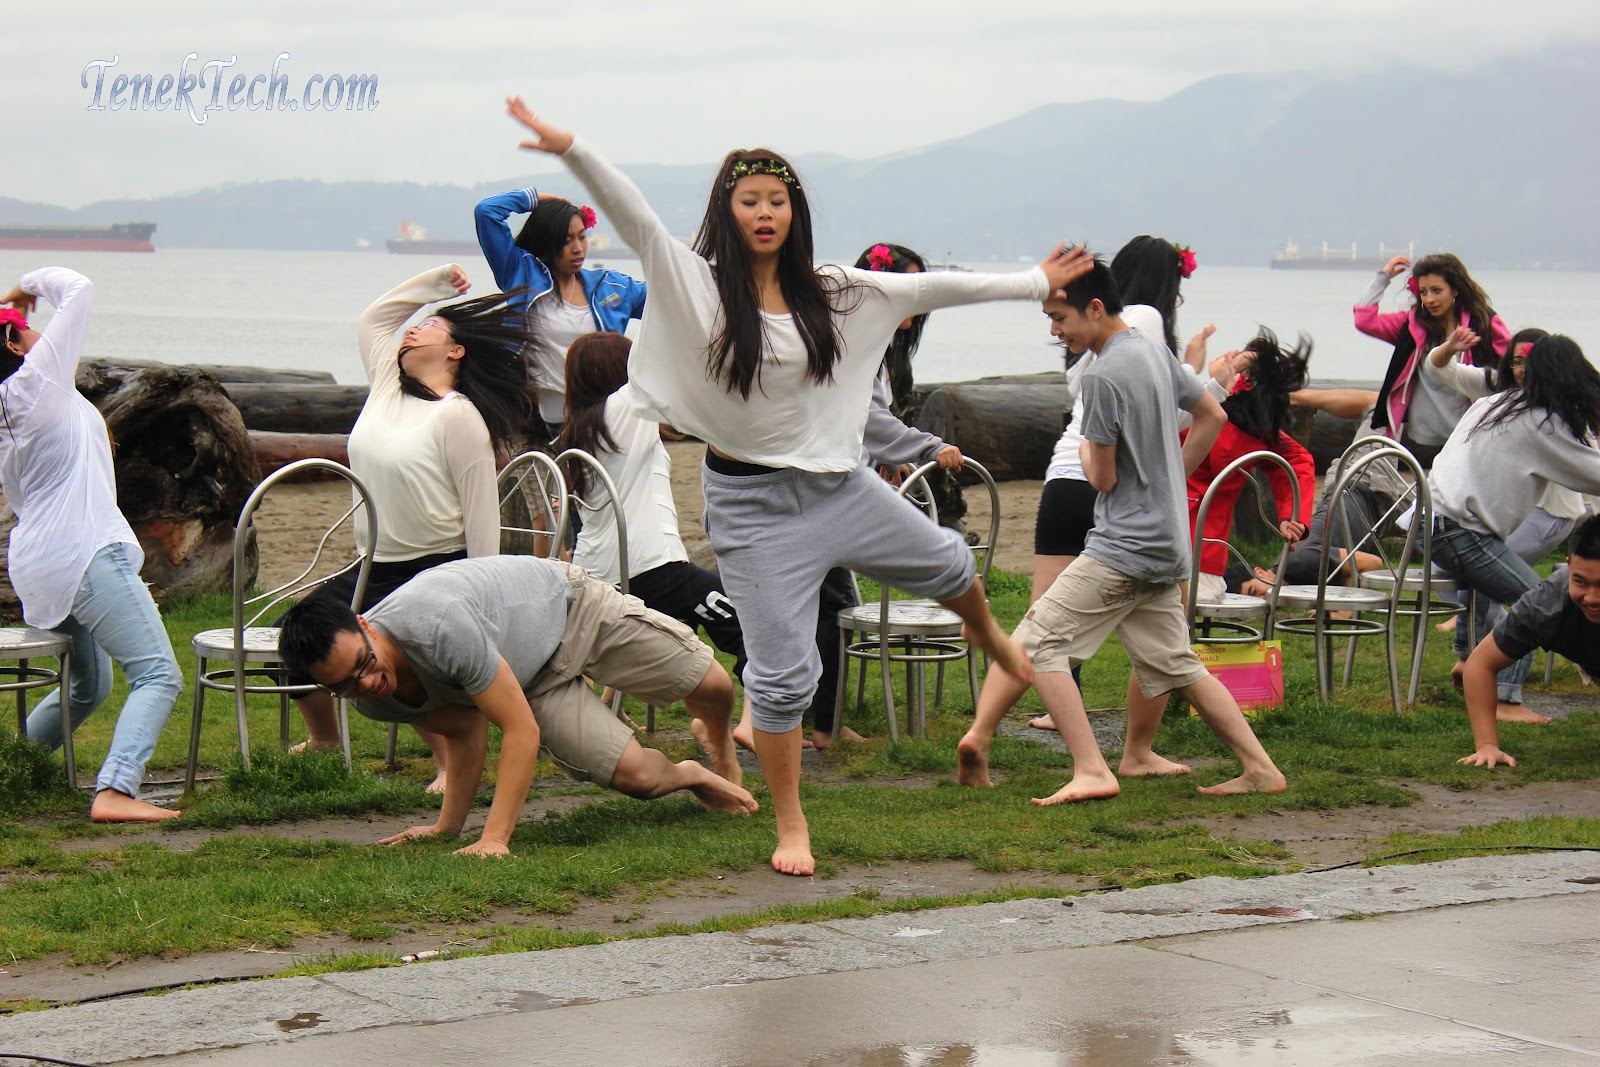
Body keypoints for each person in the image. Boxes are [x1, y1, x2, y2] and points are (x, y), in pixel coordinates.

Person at [505, 95, 1091, 875]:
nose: (765, 213)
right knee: (780, 681)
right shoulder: (701, 289)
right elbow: (638, 217)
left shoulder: (834, 290)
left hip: (840, 487)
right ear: (729, 210)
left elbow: (928, 290)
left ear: (795, 212)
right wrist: (574, 150)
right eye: (750, 201)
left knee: (949, 562)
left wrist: (1032, 281)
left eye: (778, 201)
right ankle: (792, 825)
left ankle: (992, 640)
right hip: (752, 510)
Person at [957, 261, 1287, 803]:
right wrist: (1169, 475)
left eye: (1058, 318)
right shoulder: (1154, 351)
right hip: (1165, 542)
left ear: (1093, 308)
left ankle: (1091, 769)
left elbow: (1102, 477)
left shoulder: (1103, 374)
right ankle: (1260, 768)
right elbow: (1212, 415)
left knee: (1038, 646)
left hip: (1125, 546)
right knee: (1176, 661)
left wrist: (1086, 446)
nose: (1053, 331)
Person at [277, 556, 757, 857]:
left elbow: (518, 733)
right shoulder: (376, 703)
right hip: (528, 682)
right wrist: (448, 827)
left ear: (365, 624)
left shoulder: (438, 625)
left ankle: (719, 742)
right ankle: (692, 771)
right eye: (346, 685)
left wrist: (495, 838)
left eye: (365, 662)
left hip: (570, 609)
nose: (368, 683)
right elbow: (467, 731)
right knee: (641, 780)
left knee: (713, 684)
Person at [287, 265, 535, 793]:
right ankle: (326, 741)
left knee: (411, 658)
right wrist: (436, 288)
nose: (413, 328)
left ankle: (450, 764)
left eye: (431, 325)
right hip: (372, 565)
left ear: (456, 352)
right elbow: (376, 318)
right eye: (416, 323)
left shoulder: (458, 415)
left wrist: (479, 593)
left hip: (436, 569)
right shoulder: (387, 386)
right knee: (297, 635)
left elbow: (482, 516)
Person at [1, 269, 184, 822]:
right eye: (26, 329)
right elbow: (79, 287)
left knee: (90, 686)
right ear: (13, 344)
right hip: (83, 554)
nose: (38, 333)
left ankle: (13, 767)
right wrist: (26, 285)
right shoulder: (37, 383)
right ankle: (116, 791)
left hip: (36, 562)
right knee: (158, 674)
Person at [558, 331, 749, 683]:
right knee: (751, 622)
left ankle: (695, 718)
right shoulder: (625, 407)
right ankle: (754, 718)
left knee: (684, 632)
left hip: (595, 576)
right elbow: (660, 348)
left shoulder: (577, 430)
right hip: (649, 568)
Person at [1428, 335, 1600, 724]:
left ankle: (1469, 663)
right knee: (1536, 605)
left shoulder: (1496, 404)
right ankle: (1504, 698)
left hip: (1431, 522)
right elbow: (1594, 474)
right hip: (1459, 530)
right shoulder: (1540, 422)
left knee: (1490, 582)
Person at [474, 187, 647, 439]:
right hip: (543, 420)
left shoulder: (612, 287)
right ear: (546, 241)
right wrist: (539, 199)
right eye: (566, 240)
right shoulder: (520, 275)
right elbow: (486, 212)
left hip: (608, 415)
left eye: (582, 236)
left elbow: (670, 301)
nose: (578, 248)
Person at [1457, 513, 1600, 768]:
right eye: (1580, 581)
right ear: (1568, 565)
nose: (1591, 597)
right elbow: (1480, 664)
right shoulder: (1547, 604)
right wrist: (1487, 745)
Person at [1184, 329, 1315, 601]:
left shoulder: (1191, 417)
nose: (1228, 356)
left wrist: (1197, 370)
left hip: (1161, 538)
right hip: (1207, 554)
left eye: (1236, 358)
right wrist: (1293, 517)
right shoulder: (1256, 437)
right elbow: (1298, 461)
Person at [1356, 252, 1509, 449]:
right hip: (1422, 436)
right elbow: (1364, 321)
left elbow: (1515, 359)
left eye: (1437, 290)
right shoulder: (1412, 326)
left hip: (1469, 434)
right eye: (1424, 292)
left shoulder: (1483, 323)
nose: (1429, 299)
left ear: (1455, 289)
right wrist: (1382, 278)